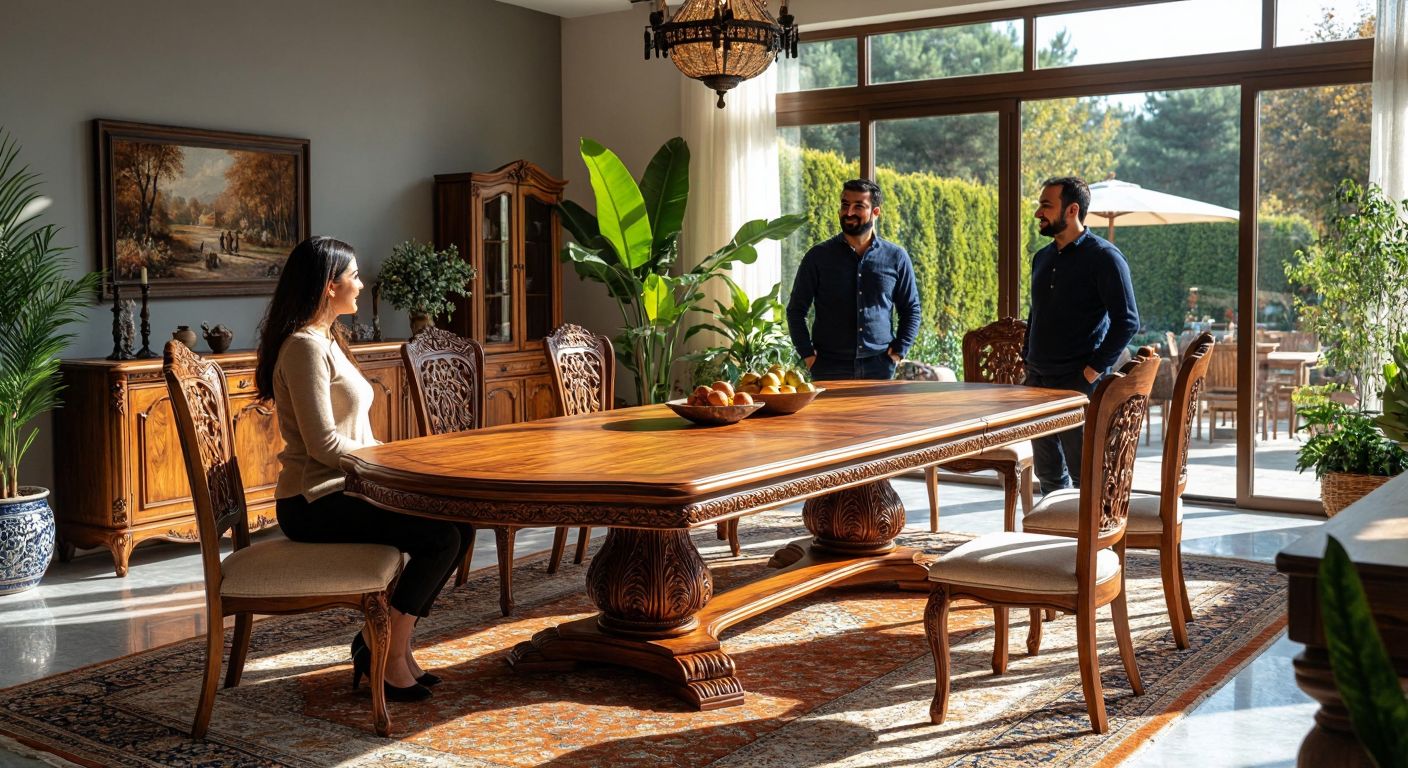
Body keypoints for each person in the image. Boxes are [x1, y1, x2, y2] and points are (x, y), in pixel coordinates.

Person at [255, 236, 468, 702]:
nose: (361, 282)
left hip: (348, 487)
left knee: (459, 524)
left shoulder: (328, 339)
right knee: (443, 538)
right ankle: (384, 651)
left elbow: (358, 435)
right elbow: (323, 444)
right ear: (330, 286)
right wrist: (387, 464)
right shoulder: (304, 348)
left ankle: (387, 642)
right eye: (354, 275)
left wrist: (397, 457)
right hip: (313, 500)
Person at [1023, 176, 1139, 493]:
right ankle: (1056, 539)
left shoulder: (1105, 257)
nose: (1038, 213)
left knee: (1085, 475)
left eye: (1046, 205)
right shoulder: (1041, 258)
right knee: (1047, 474)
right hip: (1038, 380)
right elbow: (1037, 311)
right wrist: (1026, 358)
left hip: (1077, 383)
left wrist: (1092, 370)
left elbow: (1127, 321)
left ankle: (1091, 541)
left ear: (1072, 209)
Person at [786, 178, 921, 380]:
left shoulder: (896, 257)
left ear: (876, 212)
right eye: (845, 205)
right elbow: (796, 310)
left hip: (880, 367)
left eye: (859, 206)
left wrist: (898, 352)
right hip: (828, 367)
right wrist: (807, 355)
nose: (849, 212)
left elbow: (911, 309)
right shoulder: (818, 257)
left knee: (876, 414)